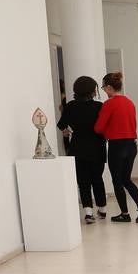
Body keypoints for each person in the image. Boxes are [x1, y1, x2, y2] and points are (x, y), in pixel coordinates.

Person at [94, 71, 138, 223]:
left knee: (117, 181)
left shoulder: (109, 104)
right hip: (132, 145)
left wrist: (107, 131)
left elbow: (98, 128)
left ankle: (125, 213)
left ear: (110, 87)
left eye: (104, 87)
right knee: (127, 179)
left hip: (117, 146)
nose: (104, 91)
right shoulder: (130, 102)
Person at [56, 75, 108, 223]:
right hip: (97, 147)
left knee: (83, 181)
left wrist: (67, 131)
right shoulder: (99, 106)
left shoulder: (70, 106)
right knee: (97, 179)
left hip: (78, 147)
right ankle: (102, 209)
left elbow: (61, 125)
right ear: (92, 91)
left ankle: (88, 212)